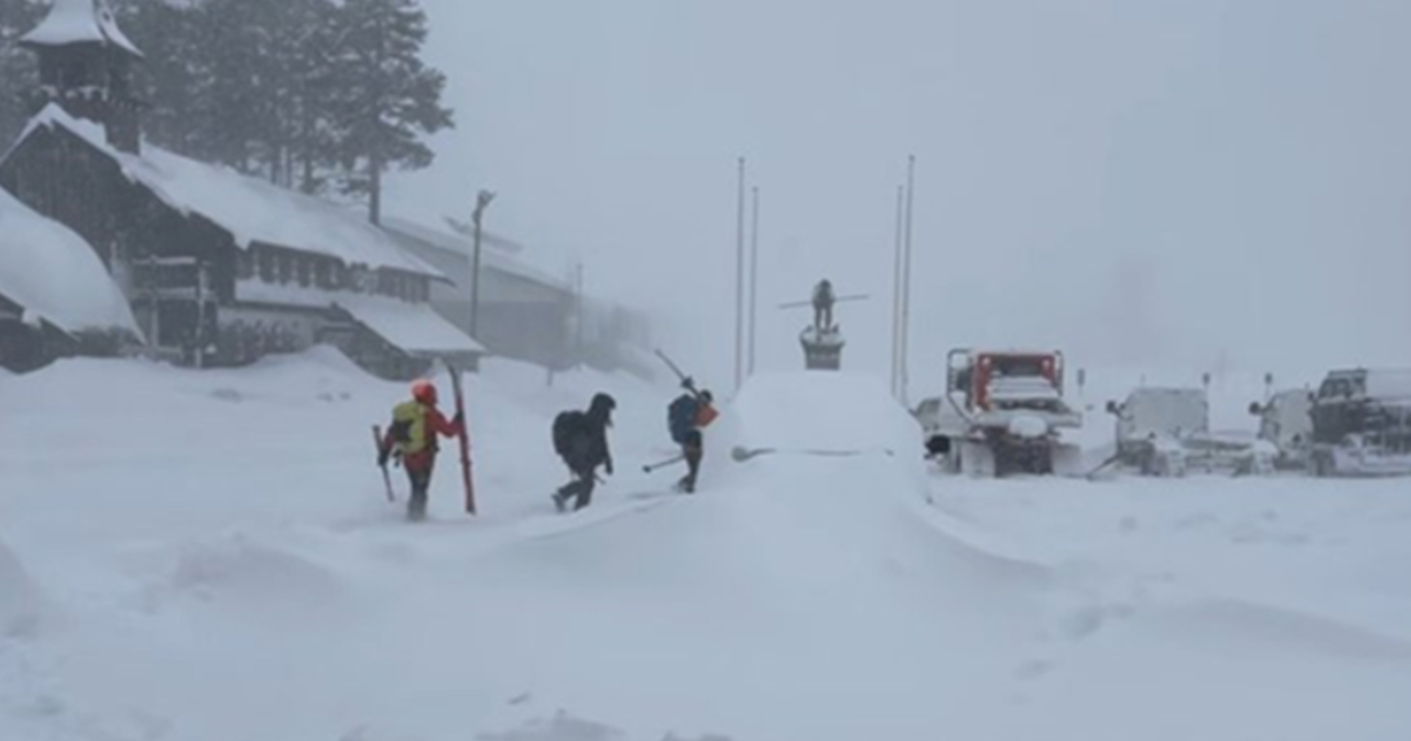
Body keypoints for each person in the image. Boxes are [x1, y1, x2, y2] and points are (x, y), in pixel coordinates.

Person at [378, 378, 465, 521]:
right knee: (420, 489)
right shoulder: (430, 414)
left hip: (407, 456)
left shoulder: (405, 412)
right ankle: (416, 519)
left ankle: (415, 516)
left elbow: (392, 433)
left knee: (416, 487)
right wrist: (458, 421)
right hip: (424, 458)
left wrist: (384, 452)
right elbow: (448, 432)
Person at [551, 392, 616, 512]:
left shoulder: (596, 423)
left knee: (587, 483)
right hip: (578, 457)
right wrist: (585, 462)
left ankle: (568, 500)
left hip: (582, 458)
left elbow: (602, 442)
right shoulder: (590, 423)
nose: (609, 413)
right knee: (587, 483)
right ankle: (577, 509)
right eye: (607, 409)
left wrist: (607, 461)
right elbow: (583, 445)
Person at [667, 381, 718, 493]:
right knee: (696, 469)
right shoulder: (697, 411)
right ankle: (689, 486)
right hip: (694, 444)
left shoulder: (687, 405)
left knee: (695, 468)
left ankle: (686, 484)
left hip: (686, 442)